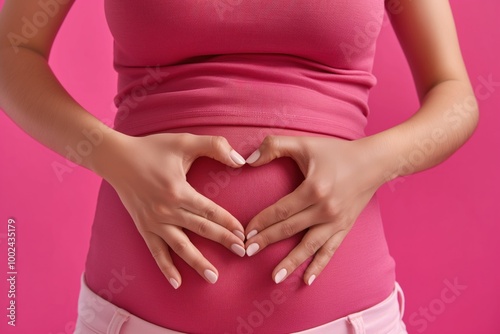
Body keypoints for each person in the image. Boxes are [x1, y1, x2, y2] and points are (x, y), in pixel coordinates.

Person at [0, 0, 478, 333]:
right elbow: (11, 52)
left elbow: (454, 95)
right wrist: (115, 157)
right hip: (134, 321)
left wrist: (369, 163)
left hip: (344, 321)